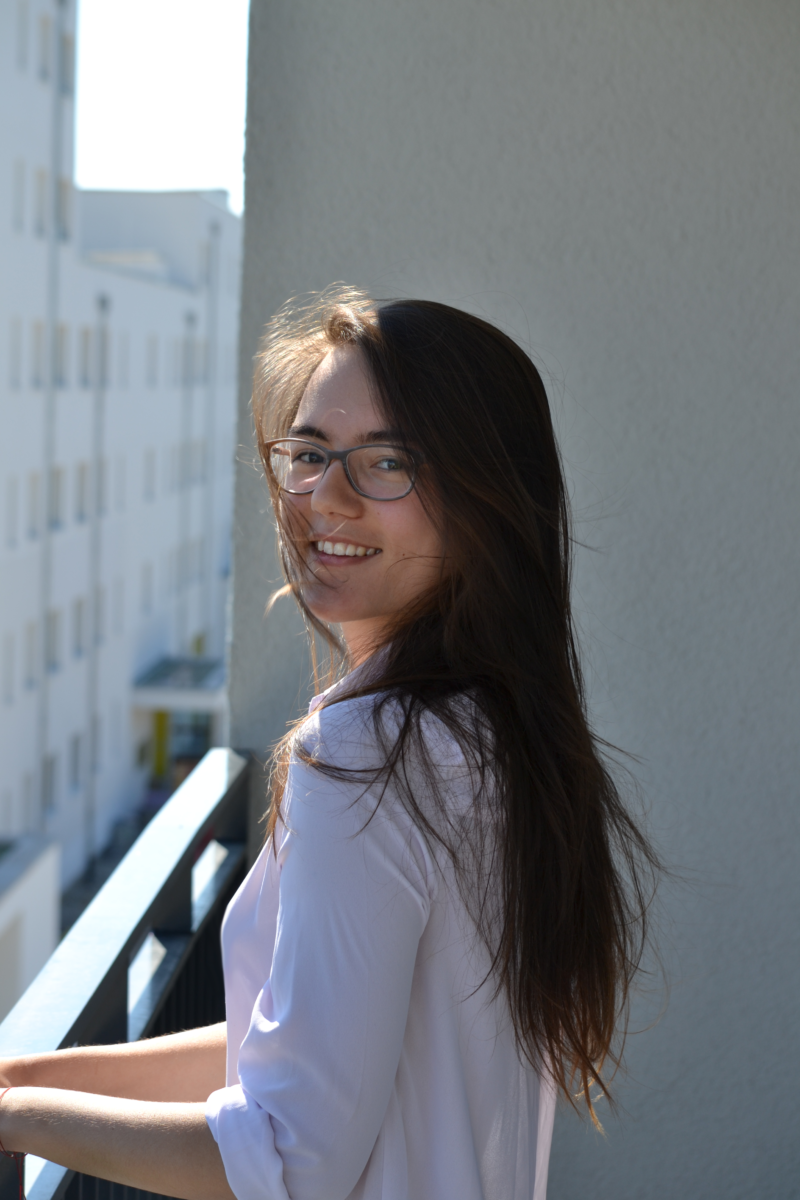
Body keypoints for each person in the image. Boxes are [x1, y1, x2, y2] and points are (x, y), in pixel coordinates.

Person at [0, 289, 659, 1200]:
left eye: (387, 462)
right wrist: (22, 1081)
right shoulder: (493, 730)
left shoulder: (366, 756)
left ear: (484, 499)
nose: (325, 498)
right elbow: (296, 1042)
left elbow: (290, 1158)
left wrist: (15, 1122)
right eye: (308, 455)